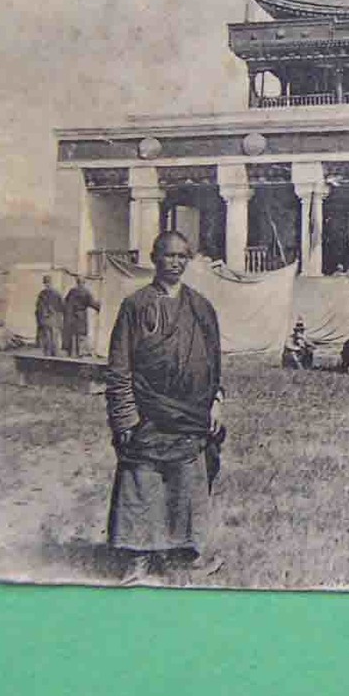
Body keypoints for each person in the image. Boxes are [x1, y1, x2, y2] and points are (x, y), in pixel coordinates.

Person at [105, 231, 225, 585]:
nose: (175, 262)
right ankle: (138, 559)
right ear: (155, 258)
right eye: (168, 256)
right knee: (142, 484)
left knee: (187, 485)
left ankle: (184, 555)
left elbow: (215, 364)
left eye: (182, 256)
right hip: (147, 414)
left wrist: (217, 401)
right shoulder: (135, 305)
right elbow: (119, 365)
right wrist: (126, 416)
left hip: (191, 415)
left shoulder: (201, 307)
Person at [62, 278, 101, 357]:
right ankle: (80, 353)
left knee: (73, 334)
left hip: (72, 316)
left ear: (77, 282)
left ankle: (72, 353)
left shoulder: (72, 291)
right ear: (83, 283)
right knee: (81, 334)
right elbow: (92, 303)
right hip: (81, 316)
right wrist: (99, 306)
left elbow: (65, 302)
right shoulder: (86, 292)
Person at [35, 275, 65, 356]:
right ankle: (53, 355)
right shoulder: (56, 293)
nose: (47, 284)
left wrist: (40, 319)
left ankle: (49, 355)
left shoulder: (42, 294)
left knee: (48, 338)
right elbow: (62, 306)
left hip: (47, 319)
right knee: (52, 338)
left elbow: (38, 308)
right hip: (52, 319)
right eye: (46, 283)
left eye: (46, 283)